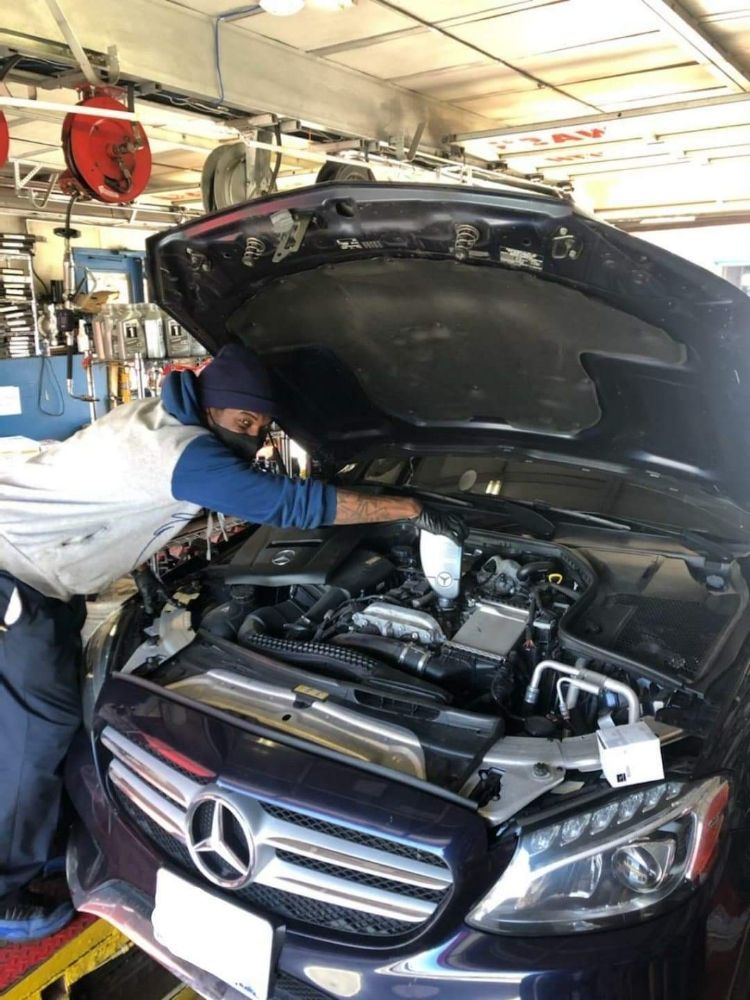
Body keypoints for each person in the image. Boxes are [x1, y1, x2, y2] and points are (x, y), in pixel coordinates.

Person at [0, 342, 464, 941]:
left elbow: (142, 510)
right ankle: (6, 890)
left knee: (40, 718)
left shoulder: (165, 417)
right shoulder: (177, 451)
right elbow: (286, 504)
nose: (252, 437)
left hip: (46, 572)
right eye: (244, 423)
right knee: (38, 727)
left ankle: (36, 841)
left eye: (261, 429)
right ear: (211, 404)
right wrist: (408, 507)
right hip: (14, 570)